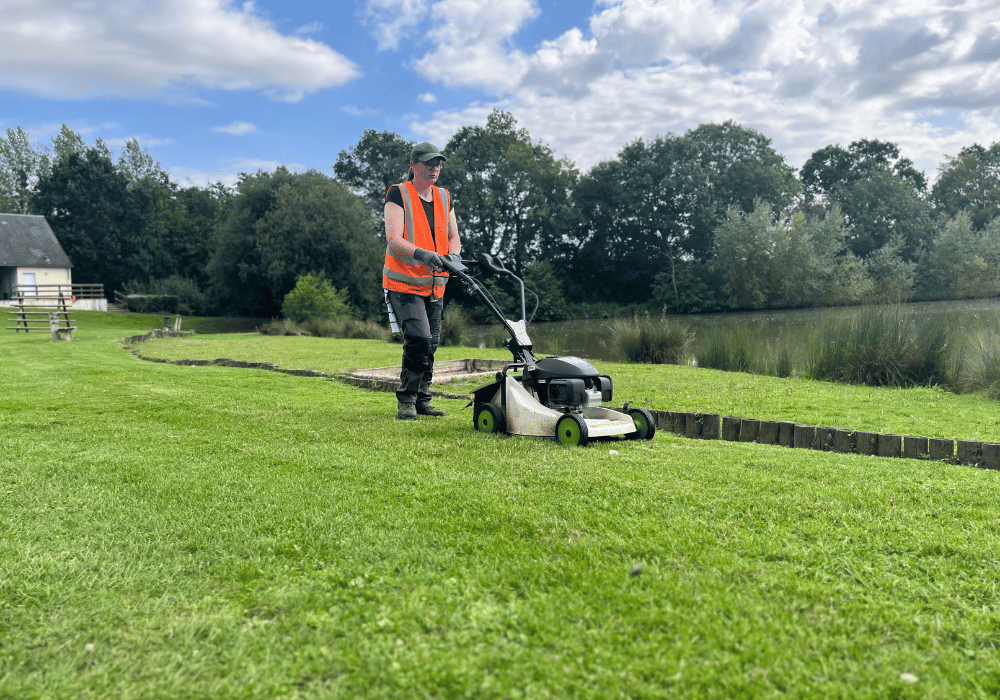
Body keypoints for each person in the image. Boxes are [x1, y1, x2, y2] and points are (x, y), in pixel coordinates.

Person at [383, 142, 462, 420]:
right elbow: (393, 239)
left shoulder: (444, 197)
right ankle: (406, 399)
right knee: (418, 338)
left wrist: (452, 255)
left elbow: (454, 236)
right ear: (414, 165)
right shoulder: (398, 193)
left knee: (432, 343)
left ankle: (422, 400)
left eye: (438, 163)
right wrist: (423, 254)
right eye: (429, 163)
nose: (434, 168)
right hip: (404, 283)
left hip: (435, 285)